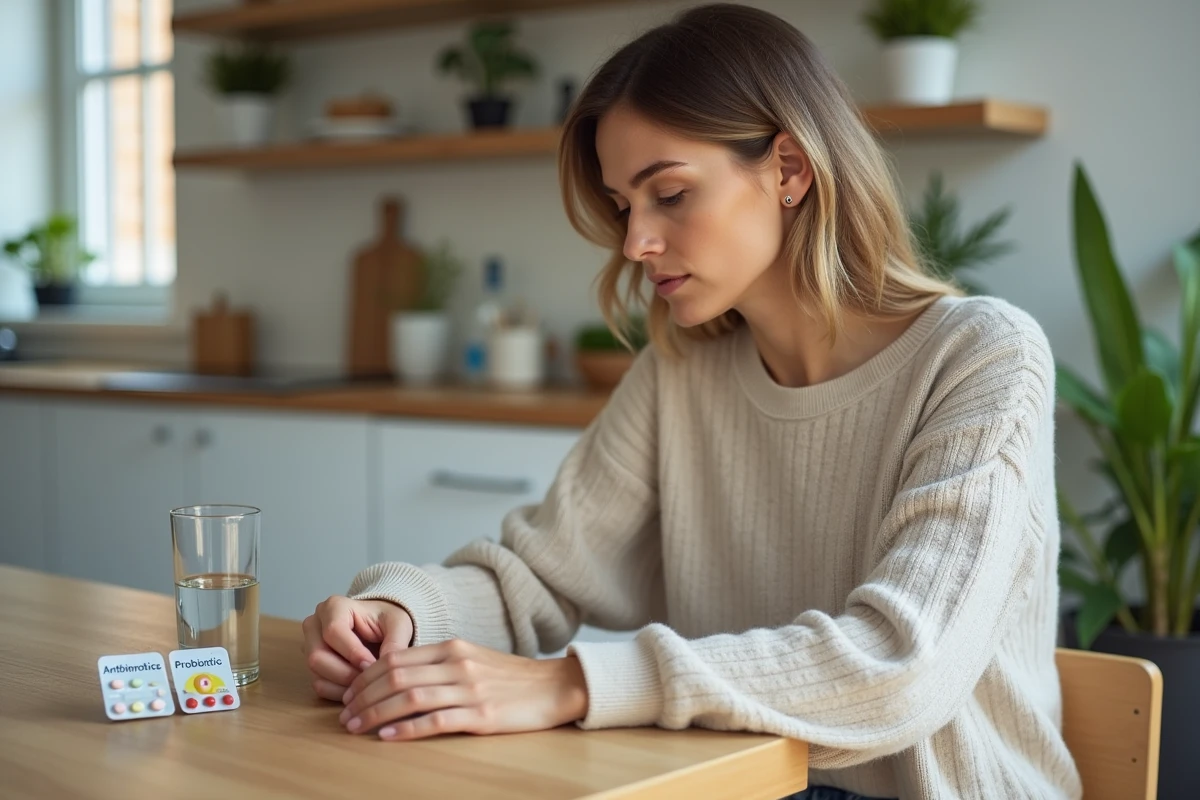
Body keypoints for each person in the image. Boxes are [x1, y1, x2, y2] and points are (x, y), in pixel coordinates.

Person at [301, 4, 1082, 798]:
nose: (636, 242)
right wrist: (401, 613)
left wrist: (571, 684)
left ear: (788, 169)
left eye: (669, 193)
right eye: (623, 207)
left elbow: (900, 668)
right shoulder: (682, 371)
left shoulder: (981, 356)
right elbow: (538, 579)